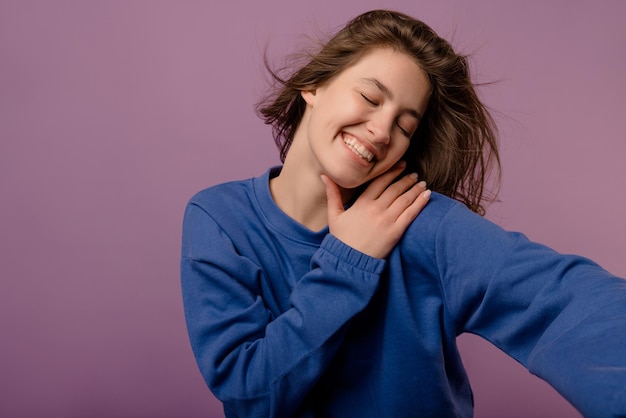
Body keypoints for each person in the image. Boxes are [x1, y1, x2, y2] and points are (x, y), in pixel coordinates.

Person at [180, 9, 626, 418]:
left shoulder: (419, 222)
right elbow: (252, 398)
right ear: (314, 85)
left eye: (404, 125)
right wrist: (346, 261)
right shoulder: (220, 219)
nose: (380, 131)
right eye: (371, 97)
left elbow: (567, 301)